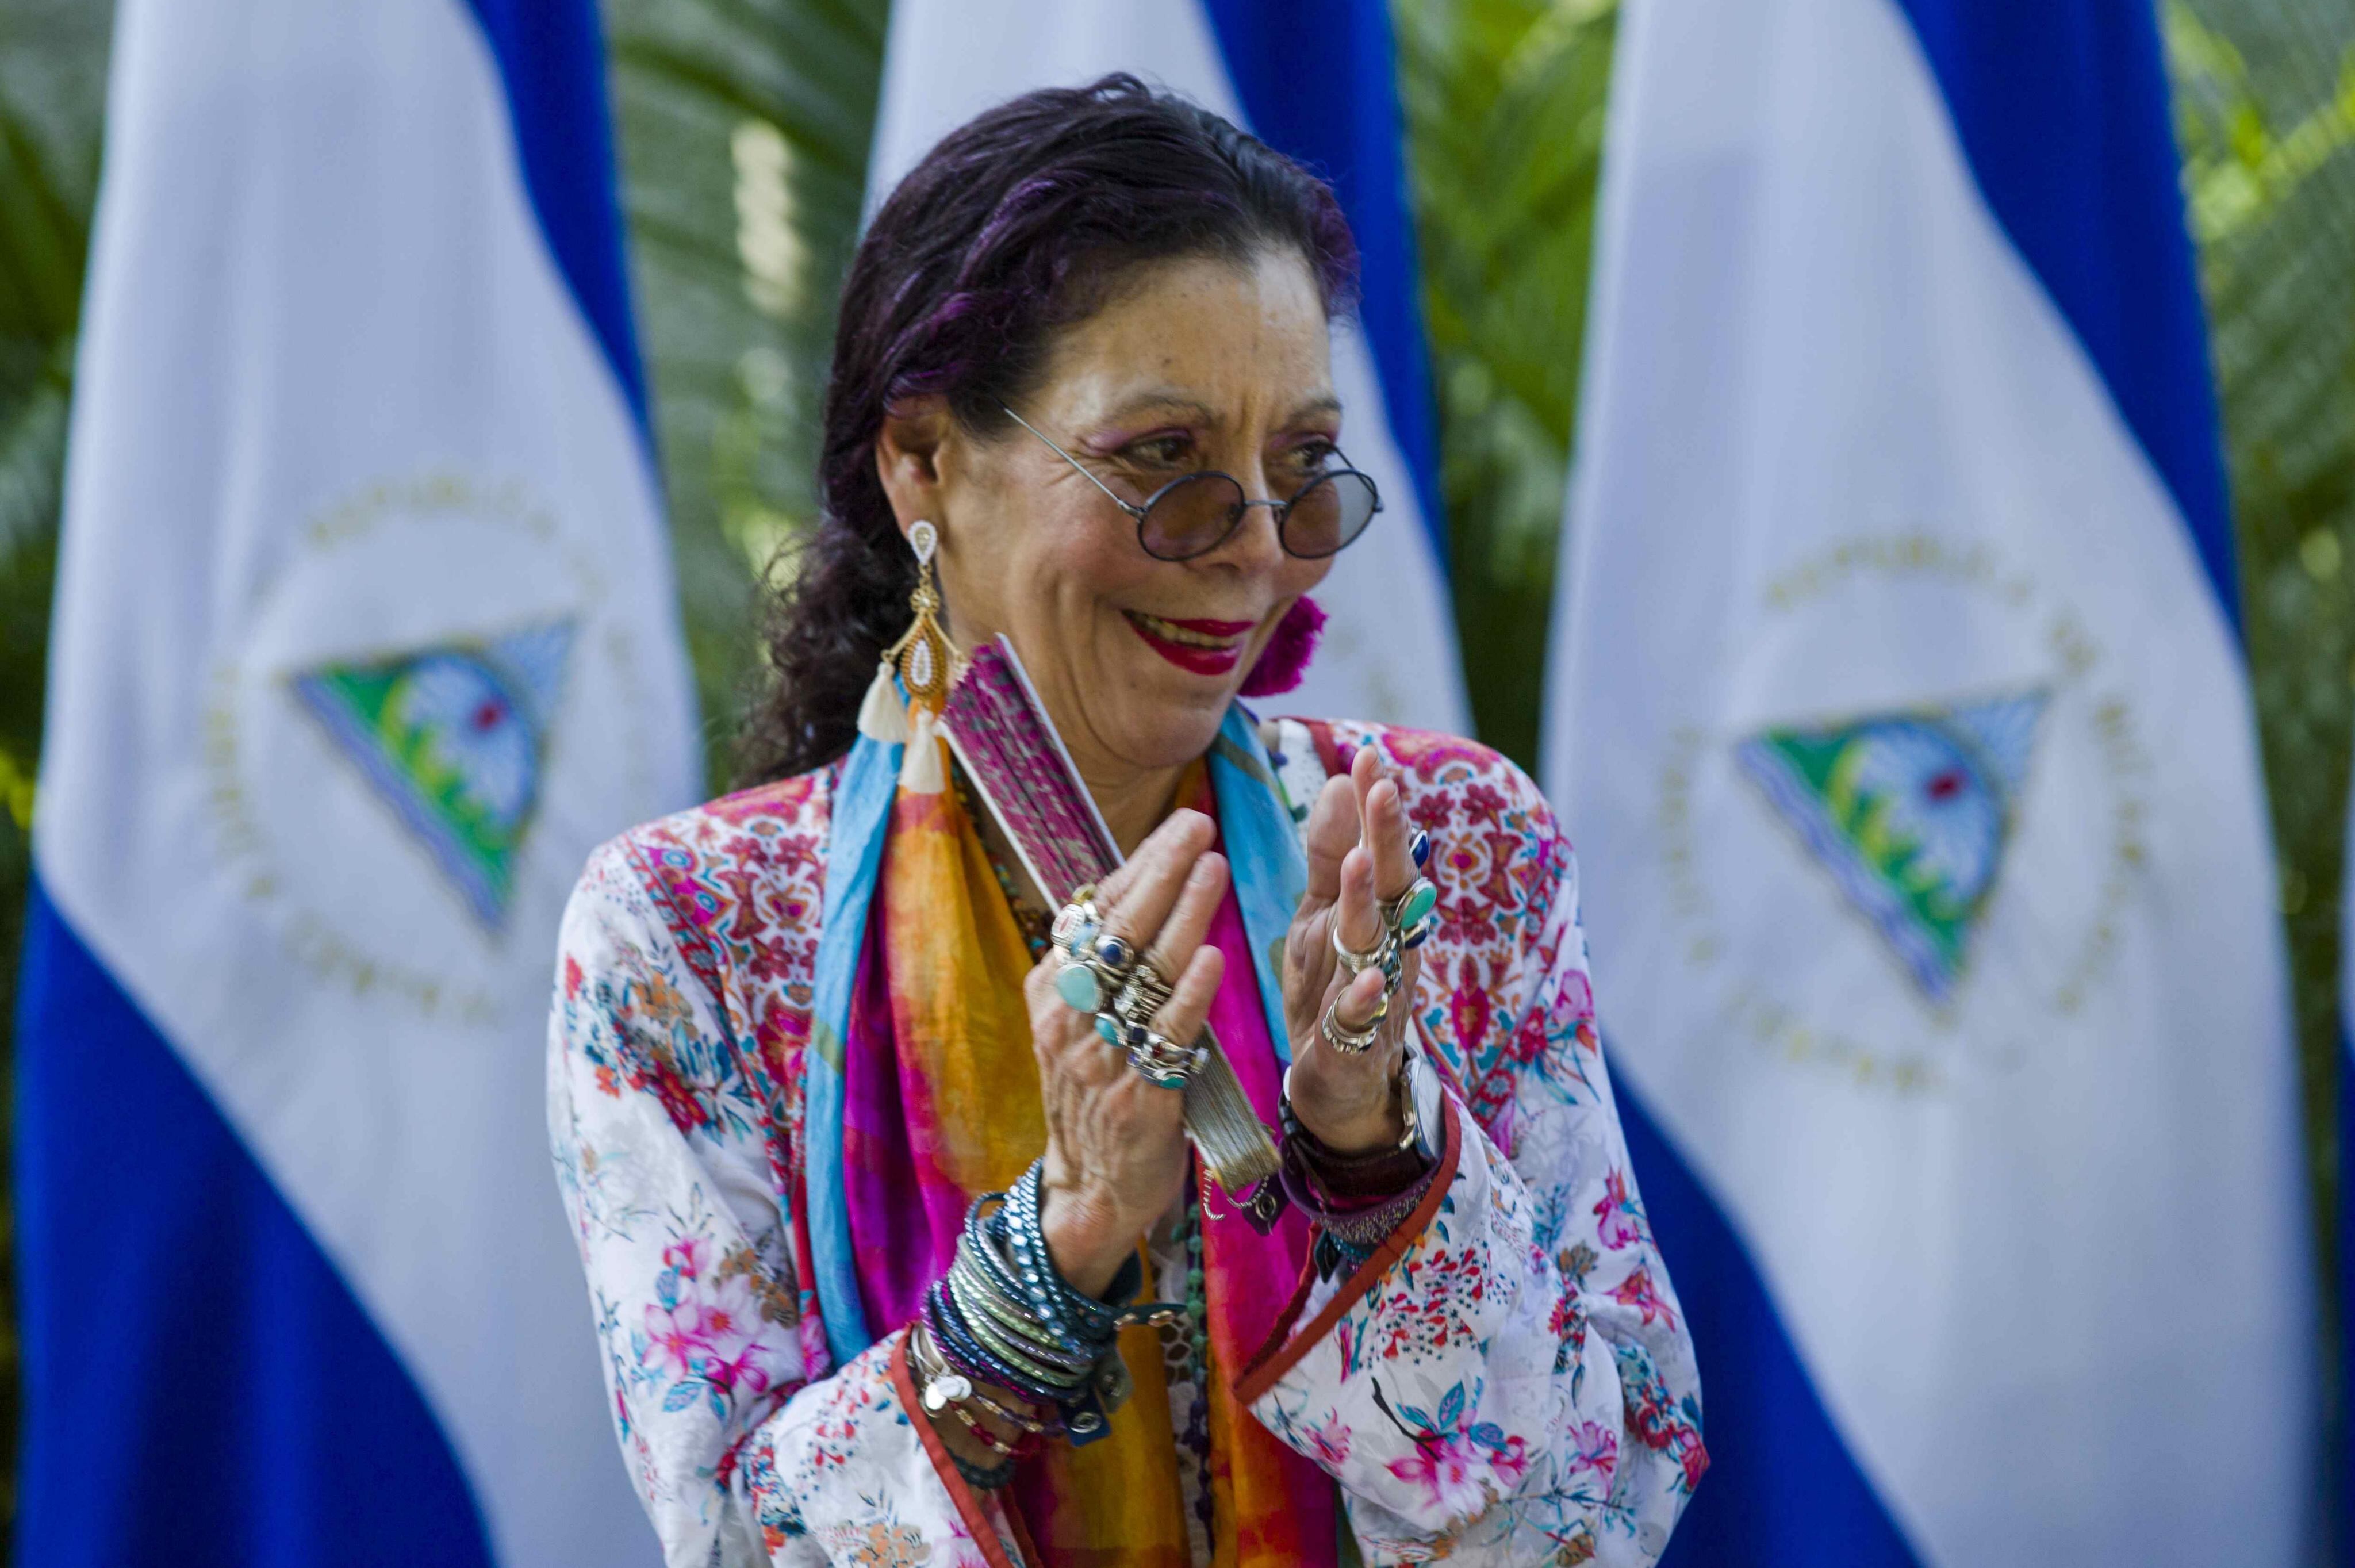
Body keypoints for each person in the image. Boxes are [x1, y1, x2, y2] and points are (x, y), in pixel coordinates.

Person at [549, 75, 1702, 1568]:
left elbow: (1606, 1514)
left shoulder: (1442, 847)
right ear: (924, 464)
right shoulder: (690, 931)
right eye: (1164, 463)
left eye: (1299, 471)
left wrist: (1374, 1162)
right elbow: (737, 1542)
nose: (1253, 555)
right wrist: (1068, 1234)